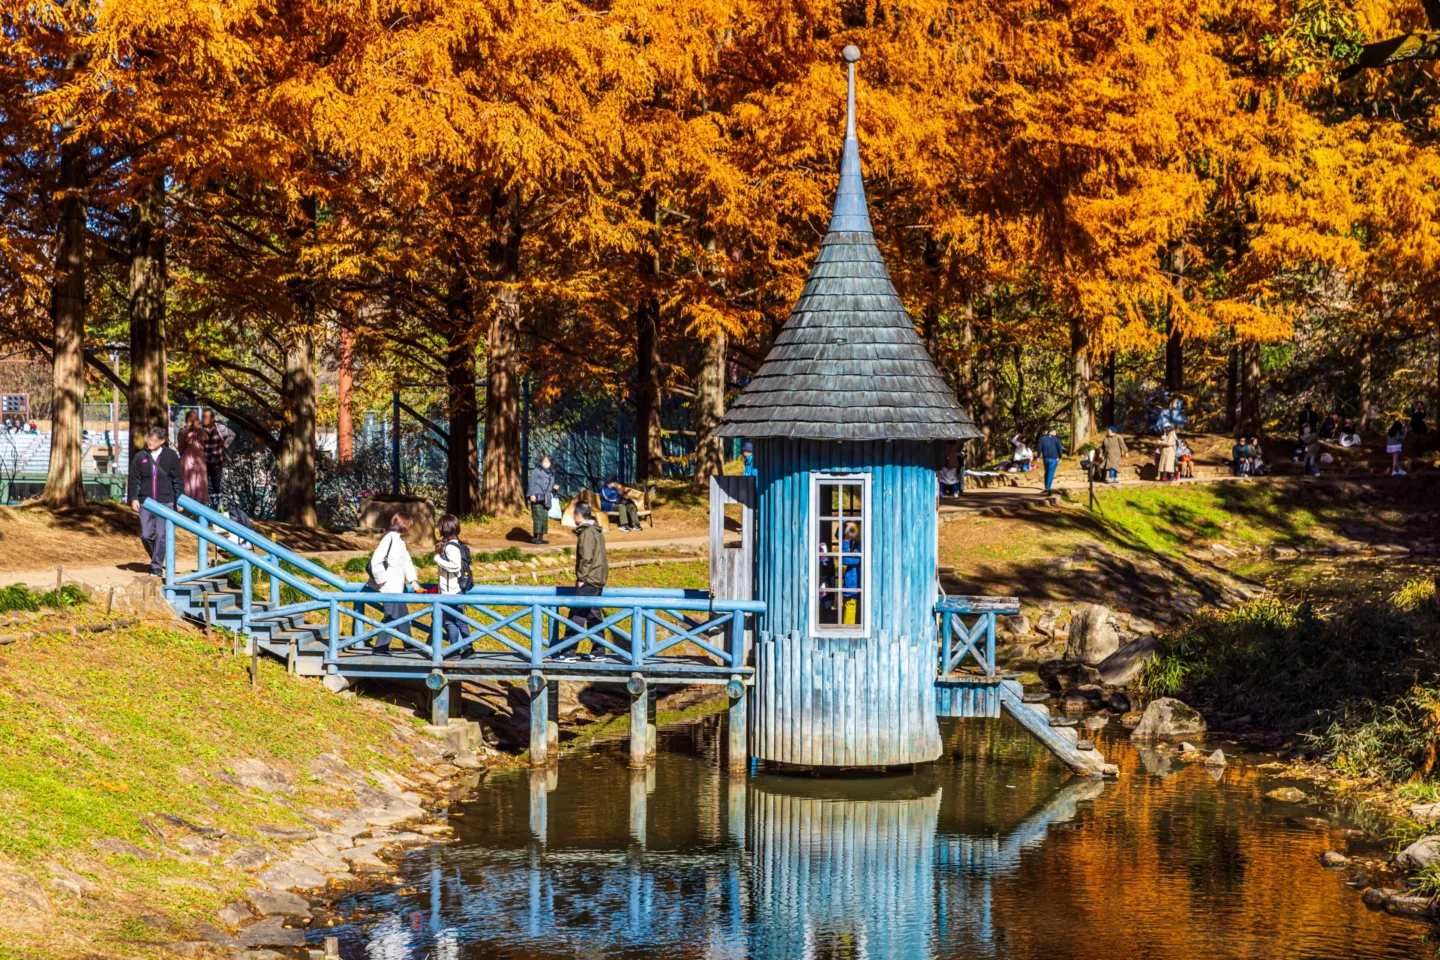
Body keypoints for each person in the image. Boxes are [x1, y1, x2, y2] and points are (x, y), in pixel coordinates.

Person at [126, 427, 183, 577]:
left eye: (154, 440)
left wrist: (179, 499)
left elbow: (178, 479)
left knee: (161, 534)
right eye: (148, 439)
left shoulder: (171, 456)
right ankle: (156, 559)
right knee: (146, 535)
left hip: (166, 501)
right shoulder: (140, 456)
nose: (150, 442)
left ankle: (156, 567)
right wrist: (133, 498)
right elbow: (134, 479)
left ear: (162, 441)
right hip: (146, 501)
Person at [368, 513, 421, 654]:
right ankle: (380, 647)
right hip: (389, 587)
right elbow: (376, 560)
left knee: (402, 615)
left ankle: (409, 644)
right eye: (409, 524)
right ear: (403, 524)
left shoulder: (400, 541)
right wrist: (381, 580)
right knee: (391, 616)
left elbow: (406, 562)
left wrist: (413, 581)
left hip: (398, 586)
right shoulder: (389, 539)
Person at [567, 501, 610, 659]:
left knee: (577, 614)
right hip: (598, 578)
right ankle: (599, 651)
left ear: (578, 515)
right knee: (593, 615)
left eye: (574, 515)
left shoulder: (586, 533)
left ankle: (568, 651)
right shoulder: (597, 531)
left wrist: (581, 578)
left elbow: (586, 558)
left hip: (589, 578)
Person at [433, 513, 470, 653]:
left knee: (453, 621)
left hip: (451, 591)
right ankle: (461, 649)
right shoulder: (456, 544)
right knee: (455, 620)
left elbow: (455, 566)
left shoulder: (450, 547)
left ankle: (463, 649)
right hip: (455, 590)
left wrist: (438, 559)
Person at [200, 410, 234, 508]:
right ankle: (204, 508)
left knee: (216, 487)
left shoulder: (220, 428)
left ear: (212, 419)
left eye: (206, 417)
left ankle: (216, 507)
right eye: (203, 417)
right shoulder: (200, 429)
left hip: (217, 462)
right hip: (203, 462)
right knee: (204, 487)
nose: (204, 419)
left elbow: (232, 434)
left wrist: (225, 444)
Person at [176, 410, 210, 503]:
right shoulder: (183, 430)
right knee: (188, 480)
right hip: (187, 459)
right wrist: (188, 428)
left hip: (199, 460)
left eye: (194, 417)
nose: (192, 420)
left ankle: (199, 502)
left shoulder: (200, 430)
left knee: (199, 480)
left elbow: (204, 438)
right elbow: (181, 443)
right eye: (190, 417)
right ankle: (186, 502)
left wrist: (197, 427)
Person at [526, 455, 559, 544]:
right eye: (544, 461)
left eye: (548, 461)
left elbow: (550, 487)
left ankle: (541, 537)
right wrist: (531, 495)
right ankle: (535, 537)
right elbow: (531, 483)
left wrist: (554, 489)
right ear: (541, 462)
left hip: (547, 498)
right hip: (537, 496)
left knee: (544, 517)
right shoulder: (536, 471)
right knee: (538, 517)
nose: (546, 463)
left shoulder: (551, 474)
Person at [1037, 428, 1064, 492]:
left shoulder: (1043, 439)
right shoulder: (1056, 439)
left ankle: (1046, 486)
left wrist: (1038, 456)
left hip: (1045, 458)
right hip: (1053, 458)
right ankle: (1048, 488)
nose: (1056, 433)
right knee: (1051, 472)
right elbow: (1060, 448)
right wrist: (1060, 456)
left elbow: (1039, 448)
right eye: (1055, 432)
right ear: (1053, 432)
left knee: (1046, 472)